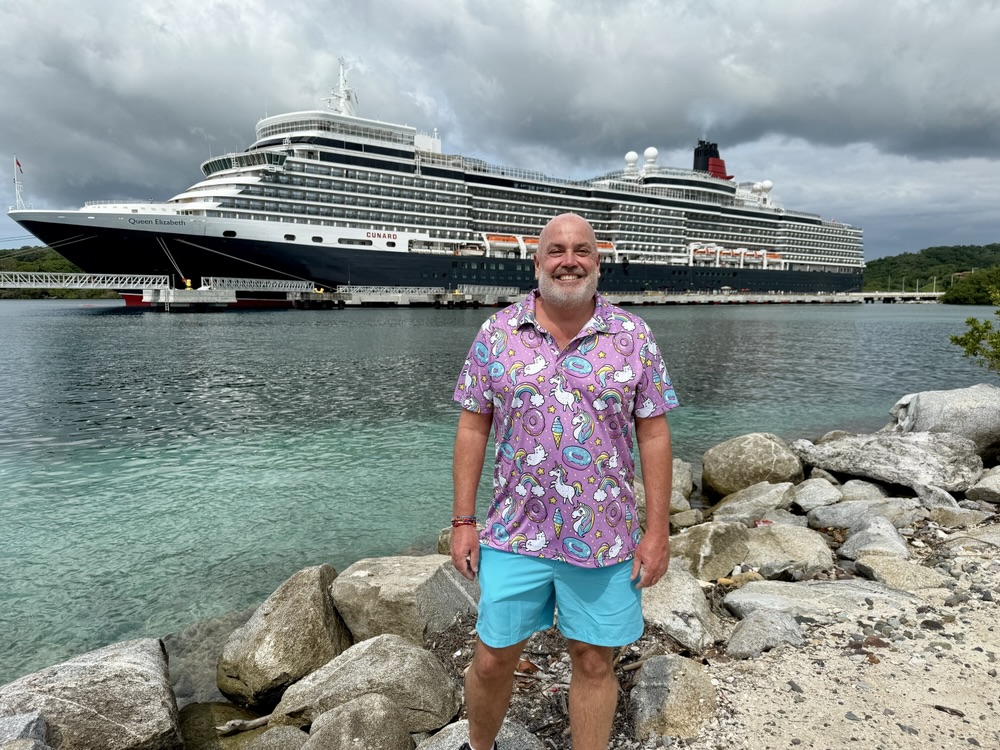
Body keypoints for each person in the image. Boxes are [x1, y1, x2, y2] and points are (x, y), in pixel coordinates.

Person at [451, 213, 678, 750]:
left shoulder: (632, 335)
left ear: (598, 262)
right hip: (514, 532)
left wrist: (658, 531)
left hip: (606, 536)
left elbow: (655, 434)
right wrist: (463, 520)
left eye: (581, 250)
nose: (569, 261)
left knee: (595, 661)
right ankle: (478, 747)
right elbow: (472, 425)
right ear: (536, 262)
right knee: (492, 657)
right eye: (556, 250)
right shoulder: (496, 333)